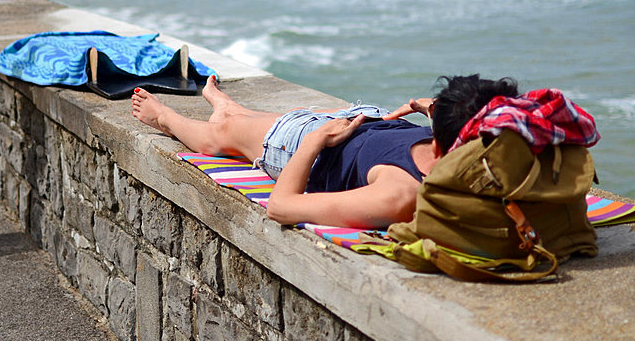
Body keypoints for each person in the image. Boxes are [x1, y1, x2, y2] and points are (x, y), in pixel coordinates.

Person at [131, 73, 519, 230]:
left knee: (222, 137)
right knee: (247, 119)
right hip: (371, 121)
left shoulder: (399, 194)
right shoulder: (495, 160)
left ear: (439, 141)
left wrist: (316, 140)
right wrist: (431, 107)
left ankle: (164, 117)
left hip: (313, 145)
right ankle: (231, 107)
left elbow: (280, 208)